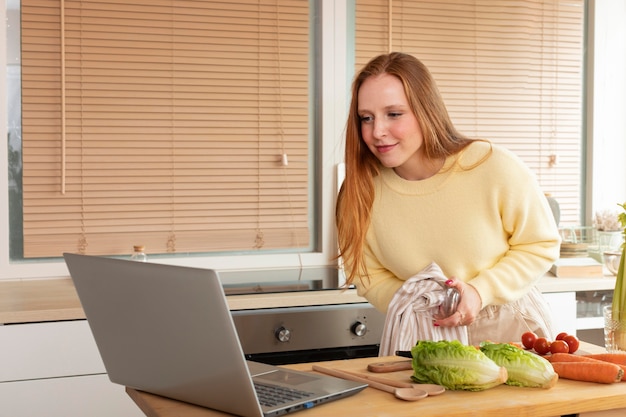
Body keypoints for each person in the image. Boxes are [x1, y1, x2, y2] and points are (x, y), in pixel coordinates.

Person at [335, 52, 561, 347]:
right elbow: (368, 275)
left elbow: (539, 244)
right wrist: (423, 304)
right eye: (367, 118)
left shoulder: (492, 166)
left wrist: (480, 291)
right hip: (419, 332)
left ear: (426, 111)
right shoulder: (359, 191)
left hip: (508, 329)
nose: (377, 131)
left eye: (394, 114)